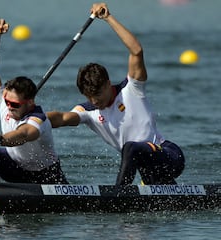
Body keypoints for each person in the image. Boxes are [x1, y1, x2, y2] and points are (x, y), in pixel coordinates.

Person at [47, 3, 185, 186]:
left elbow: (136, 50)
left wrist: (108, 18)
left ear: (107, 83)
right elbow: (62, 117)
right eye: (89, 97)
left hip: (169, 156)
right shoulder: (88, 112)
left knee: (131, 148)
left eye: (98, 94)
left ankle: (118, 194)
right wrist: (34, 118)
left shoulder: (132, 88)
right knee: (159, 194)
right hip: (146, 167)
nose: (94, 101)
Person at [0, 19, 68, 184]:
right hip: (16, 168)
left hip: (46, 176)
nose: (9, 107)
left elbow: (23, 135)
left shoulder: (37, 120)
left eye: (15, 105)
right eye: (7, 101)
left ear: (30, 103)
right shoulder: (7, 100)